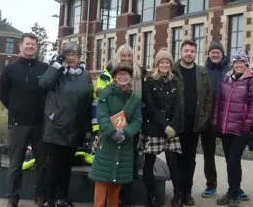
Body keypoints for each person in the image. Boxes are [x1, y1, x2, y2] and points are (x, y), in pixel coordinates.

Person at [0, 33, 49, 207]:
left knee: (42, 163)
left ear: (36, 47)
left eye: (33, 44)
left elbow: (50, 92)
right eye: (27, 44)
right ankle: (12, 198)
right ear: (20, 46)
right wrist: (15, 110)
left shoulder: (44, 68)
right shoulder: (9, 69)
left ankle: (39, 195)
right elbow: (2, 93)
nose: (30, 47)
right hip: (18, 124)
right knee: (15, 163)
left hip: (40, 124)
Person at [39, 42, 93, 207]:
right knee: (52, 168)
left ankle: (63, 198)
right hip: (56, 127)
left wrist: (86, 128)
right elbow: (44, 84)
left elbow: (88, 101)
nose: (71, 58)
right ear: (63, 55)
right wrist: (57, 66)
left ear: (80, 56)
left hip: (74, 129)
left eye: (74, 54)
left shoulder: (85, 76)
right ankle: (49, 199)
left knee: (66, 168)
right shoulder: (57, 71)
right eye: (68, 54)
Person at [88, 63, 143, 207]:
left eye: (126, 74)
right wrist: (112, 132)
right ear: (114, 77)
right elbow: (102, 116)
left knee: (116, 182)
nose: (123, 76)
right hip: (107, 142)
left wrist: (125, 133)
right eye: (120, 74)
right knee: (101, 180)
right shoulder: (105, 93)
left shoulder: (135, 99)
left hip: (124, 143)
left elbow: (137, 121)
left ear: (130, 77)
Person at [212, 49, 253, 207]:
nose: (238, 65)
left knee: (233, 160)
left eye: (242, 62)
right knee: (230, 161)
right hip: (226, 129)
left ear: (246, 64)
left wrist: (248, 126)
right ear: (232, 65)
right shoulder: (226, 81)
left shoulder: (252, 81)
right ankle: (235, 188)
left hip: (241, 130)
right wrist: (215, 123)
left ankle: (233, 195)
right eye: (236, 62)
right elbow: (219, 103)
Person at [203, 41, 249, 201]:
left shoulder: (230, 70)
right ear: (208, 54)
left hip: (227, 120)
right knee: (208, 154)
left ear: (223, 54)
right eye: (212, 52)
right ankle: (211, 184)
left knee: (232, 156)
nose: (215, 54)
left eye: (218, 52)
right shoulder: (203, 71)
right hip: (208, 120)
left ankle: (236, 187)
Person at [140, 48, 184, 207]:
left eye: (167, 62)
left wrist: (172, 125)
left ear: (171, 65)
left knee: (174, 163)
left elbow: (178, 106)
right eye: (162, 62)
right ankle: (151, 194)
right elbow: (150, 107)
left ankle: (178, 194)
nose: (165, 65)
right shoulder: (150, 81)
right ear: (157, 64)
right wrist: (164, 125)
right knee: (149, 163)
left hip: (171, 130)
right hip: (154, 128)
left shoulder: (175, 81)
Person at [172, 39, 213, 206]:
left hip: (193, 124)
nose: (189, 53)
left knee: (189, 159)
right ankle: (177, 192)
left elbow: (209, 97)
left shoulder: (202, 72)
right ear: (181, 52)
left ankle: (187, 192)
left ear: (196, 54)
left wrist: (203, 119)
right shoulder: (172, 71)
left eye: (192, 51)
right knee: (175, 159)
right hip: (175, 124)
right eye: (186, 50)